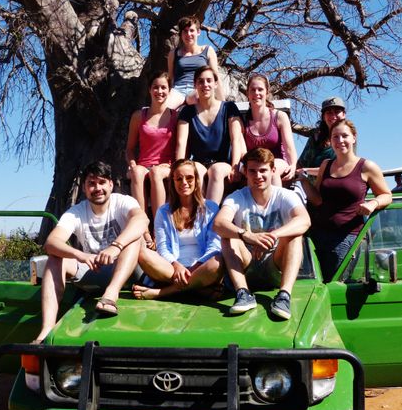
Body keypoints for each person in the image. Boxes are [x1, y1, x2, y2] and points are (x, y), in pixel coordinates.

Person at [35, 162, 148, 342]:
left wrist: (116, 246)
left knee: (135, 238)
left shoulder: (123, 202)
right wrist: (81, 255)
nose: (97, 188)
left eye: (102, 182)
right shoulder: (76, 212)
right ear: (85, 188)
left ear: (111, 184)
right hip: (94, 269)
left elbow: (142, 220)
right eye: (91, 183)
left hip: (128, 269)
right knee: (55, 258)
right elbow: (51, 242)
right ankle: (47, 330)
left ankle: (111, 295)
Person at [213, 147, 311, 320]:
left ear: (273, 171)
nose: (258, 176)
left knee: (295, 235)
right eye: (252, 171)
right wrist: (247, 235)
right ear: (246, 173)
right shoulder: (237, 197)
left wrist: (273, 235)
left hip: (276, 264)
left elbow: (304, 220)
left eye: (263, 170)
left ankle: (284, 296)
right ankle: (243, 293)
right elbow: (218, 223)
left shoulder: (285, 196)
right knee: (227, 236)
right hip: (246, 263)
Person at [297, 119, 392, 282]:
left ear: (354, 138)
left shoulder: (366, 166)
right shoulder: (326, 165)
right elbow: (318, 200)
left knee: (335, 284)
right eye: (335, 137)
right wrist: (304, 181)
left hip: (346, 238)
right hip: (317, 235)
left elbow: (387, 195)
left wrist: (373, 203)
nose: (340, 141)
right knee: (316, 285)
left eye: (344, 136)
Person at [132, 159, 223, 300]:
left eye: (189, 178)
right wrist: (176, 265)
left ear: (197, 180)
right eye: (179, 179)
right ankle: (198, 288)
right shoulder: (163, 211)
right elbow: (162, 247)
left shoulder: (211, 208)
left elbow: (215, 244)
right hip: (172, 269)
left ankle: (162, 292)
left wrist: (196, 267)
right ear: (172, 182)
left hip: (202, 266)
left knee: (218, 261)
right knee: (143, 253)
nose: (184, 183)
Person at [176, 66, 245, 203]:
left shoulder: (229, 108)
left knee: (216, 170)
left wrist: (235, 167)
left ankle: (210, 217)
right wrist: (178, 167)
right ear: (195, 85)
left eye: (209, 80)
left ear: (215, 83)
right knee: (194, 170)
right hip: (199, 161)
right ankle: (197, 217)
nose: (205, 85)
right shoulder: (187, 112)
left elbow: (236, 139)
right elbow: (181, 142)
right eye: (201, 81)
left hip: (223, 163)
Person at [125, 71, 177, 239]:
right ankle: (144, 229)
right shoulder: (139, 116)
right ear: (149, 90)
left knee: (156, 173)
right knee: (137, 172)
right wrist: (132, 163)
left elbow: (182, 146)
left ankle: (159, 229)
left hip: (166, 165)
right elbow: (130, 149)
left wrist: (174, 165)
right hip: (143, 164)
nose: (159, 91)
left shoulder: (176, 117)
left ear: (169, 90)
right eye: (156, 87)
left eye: (163, 87)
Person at [242, 73, 298, 186]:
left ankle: (276, 203)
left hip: (278, 162)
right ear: (247, 93)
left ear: (267, 92)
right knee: (254, 171)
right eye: (252, 90)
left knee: (271, 169)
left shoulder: (280, 116)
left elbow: (289, 148)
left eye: (260, 89)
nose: (256, 93)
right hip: (254, 166)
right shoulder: (243, 122)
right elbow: (242, 153)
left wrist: (293, 166)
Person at [167, 16, 223, 109]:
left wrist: (223, 104)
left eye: (192, 30)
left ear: (198, 32)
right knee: (165, 108)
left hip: (197, 88)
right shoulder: (173, 53)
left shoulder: (207, 50)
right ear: (181, 34)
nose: (188, 34)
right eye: (185, 31)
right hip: (177, 90)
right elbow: (171, 79)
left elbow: (216, 76)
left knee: (199, 101)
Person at [296, 96, 346, 177]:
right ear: (323, 116)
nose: (333, 116)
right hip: (313, 185)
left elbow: (345, 168)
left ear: (343, 114)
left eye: (337, 112)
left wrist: (306, 170)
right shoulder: (316, 136)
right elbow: (301, 163)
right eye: (329, 112)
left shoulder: (349, 137)